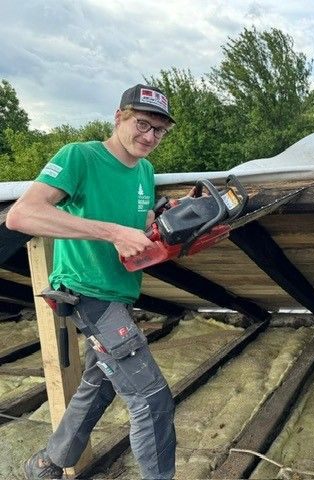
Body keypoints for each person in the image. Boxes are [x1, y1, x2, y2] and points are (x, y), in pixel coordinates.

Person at [7, 84, 177, 480]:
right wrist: (112, 232)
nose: (150, 137)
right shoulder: (80, 156)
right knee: (152, 399)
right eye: (142, 124)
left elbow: (139, 224)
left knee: (99, 384)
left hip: (120, 294)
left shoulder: (145, 170)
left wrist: (164, 222)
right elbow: (22, 215)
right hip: (87, 294)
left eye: (160, 130)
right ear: (118, 118)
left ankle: (47, 464)